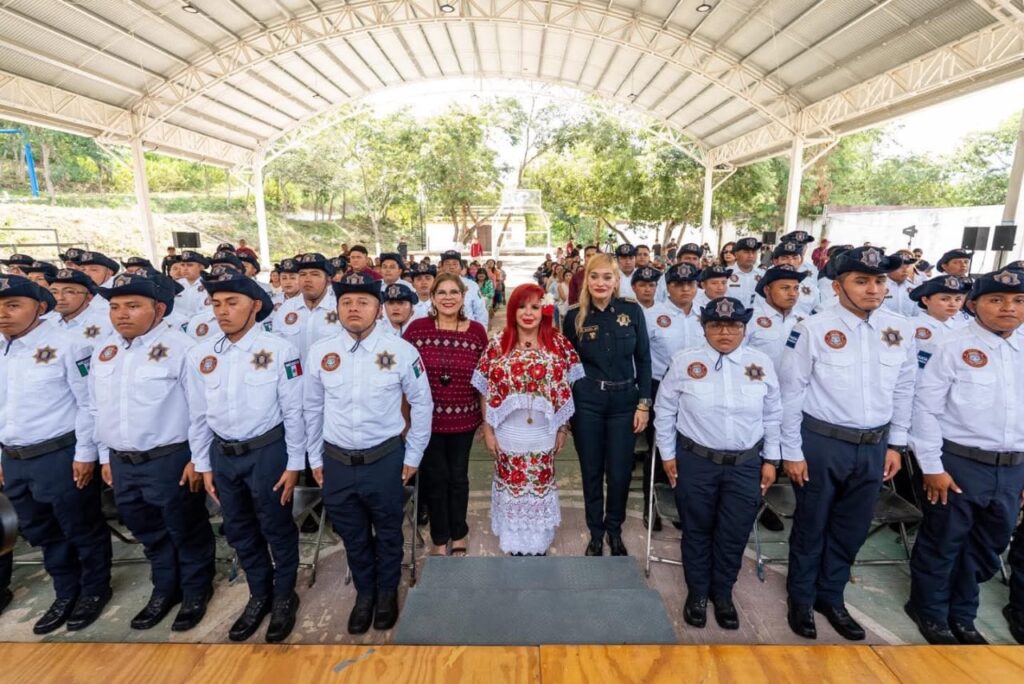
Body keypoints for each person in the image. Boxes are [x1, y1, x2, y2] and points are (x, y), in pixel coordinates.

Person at [780, 246, 916, 641]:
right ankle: (801, 598)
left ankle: (831, 596)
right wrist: (792, 451)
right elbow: (792, 392)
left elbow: (905, 389)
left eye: (878, 281)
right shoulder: (813, 328)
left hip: (874, 446)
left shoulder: (900, 328)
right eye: (861, 281)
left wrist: (897, 444)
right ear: (838, 287)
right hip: (822, 443)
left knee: (852, 527)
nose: (873, 289)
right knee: (812, 524)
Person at [305, 272, 432, 633]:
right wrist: (315, 458)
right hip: (337, 461)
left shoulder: (402, 351)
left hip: (385, 459)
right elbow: (311, 409)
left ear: (378, 309)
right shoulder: (322, 353)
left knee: (389, 532)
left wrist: (413, 456)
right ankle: (365, 594)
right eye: (346, 302)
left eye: (362, 302)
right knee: (354, 535)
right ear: (338, 308)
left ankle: (387, 593)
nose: (354, 308)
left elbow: (423, 404)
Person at [90, 272, 215, 632]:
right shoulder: (105, 350)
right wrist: (103, 456)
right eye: (114, 307)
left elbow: (200, 410)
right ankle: (165, 588)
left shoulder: (182, 348)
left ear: (158, 309)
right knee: (148, 531)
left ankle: (195, 589)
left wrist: (198, 458)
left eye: (133, 306)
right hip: (122, 460)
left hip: (170, 458)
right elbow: (96, 407)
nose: (121, 315)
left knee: (185, 527)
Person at [186, 270, 306, 643]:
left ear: (255, 306)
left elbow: (294, 412)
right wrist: (203, 462)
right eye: (217, 303)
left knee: (276, 526)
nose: (223, 311)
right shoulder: (203, 355)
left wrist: (294, 464)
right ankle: (259, 594)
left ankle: (285, 593)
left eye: (232, 303)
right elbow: (198, 414)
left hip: (267, 452)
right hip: (224, 456)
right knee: (239, 529)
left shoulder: (279, 350)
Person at [906, 269, 1024, 645]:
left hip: (1011, 466)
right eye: (997, 300)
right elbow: (925, 409)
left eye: (1019, 301)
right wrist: (932, 467)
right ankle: (930, 610)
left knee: (989, 546)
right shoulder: (951, 345)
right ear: (974, 305)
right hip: (959, 463)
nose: (1009, 308)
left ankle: (962, 612)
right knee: (944, 541)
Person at [656, 297, 780, 630]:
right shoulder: (685, 362)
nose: (725, 332)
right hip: (697, 462)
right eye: (716, 325)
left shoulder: (761, 363)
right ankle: (697, 593)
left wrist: (772, 459)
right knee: (696, 530)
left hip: (745, 464)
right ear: (704, 327)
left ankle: (722, 593)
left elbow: (773, 414)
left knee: (734, 531)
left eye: (734, 325)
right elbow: (665, 410)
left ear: (744, 327)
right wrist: (667, 454)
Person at [0, 275, 112, 634]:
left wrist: (85, 454)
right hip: (15, 457)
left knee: (81, 527)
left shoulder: (67, 345)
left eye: (13, 305)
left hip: (59, 453)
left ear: (40, 307)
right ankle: (66, 591)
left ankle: (94, 590)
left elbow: (88, 404)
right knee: (41, 531)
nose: (3, 314)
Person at [473, 284, 582, 555]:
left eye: (535, 306)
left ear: (543, 309)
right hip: (508, 430)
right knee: (511, 484)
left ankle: (538, 542)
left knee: (539, 481)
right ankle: (513, 541)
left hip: (544, 430)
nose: (528, 313)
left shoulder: (558, 343)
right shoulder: (498, 343)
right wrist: (488, 430)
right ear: (513, 310)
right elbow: (486, 391)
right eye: (522, 306)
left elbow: (565, 391)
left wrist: (562, 428)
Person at [562, 253, 652, 556]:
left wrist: (644, 404)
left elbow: (643, 359)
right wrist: (568, 411)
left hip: (625, 402)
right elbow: (567, 366)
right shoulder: (574, 316)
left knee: (619, 472)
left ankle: (614, 529)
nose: (601, 282)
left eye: (607, 277)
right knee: (591, 470)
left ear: (616, 281)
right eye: (594, 276)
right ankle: (596, 533)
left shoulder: (632, 311)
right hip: (588, 402)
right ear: (586, 279)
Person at [403, 273, 488, 556]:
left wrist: (485, 422)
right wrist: (405, 422)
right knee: (435, 478)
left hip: (464, 420)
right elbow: (403, 378)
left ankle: (459, 532)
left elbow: (483, 381)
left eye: (454, 292)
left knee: (458, 478)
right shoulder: (416, 330)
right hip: (426, 422)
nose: (448, 297)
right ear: (433, 297)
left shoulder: (477, 332)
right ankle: (440, 537)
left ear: (464, 297)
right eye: (442, 292)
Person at [642, 263, 702, 530]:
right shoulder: (652, 315)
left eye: (690, 284)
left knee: (689, 450)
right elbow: (641, 358)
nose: (685, 289)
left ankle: (679, 503)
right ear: (669, 287)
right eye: (679, 284)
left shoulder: (707, 315)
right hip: (660, 388)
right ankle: (650, 506)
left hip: (698, 392)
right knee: (658, 448)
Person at [274, 253, 339, 364]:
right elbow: (276, 346)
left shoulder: (340, 309)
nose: (307, 279)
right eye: (302, 274)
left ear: (328, 280)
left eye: (315, 274)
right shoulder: (286, 308)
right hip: (293, 379)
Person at [746, 265, 809, 369]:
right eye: (785, 288)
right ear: (767, 290)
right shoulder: (749, 319)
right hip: (761, 382)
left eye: (796, 288)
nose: (792, 294)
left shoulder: (806, 320)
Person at [44, 268, 112, 350]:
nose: (59, 298)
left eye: (69, 292)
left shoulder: (108, 322)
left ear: (88, 297)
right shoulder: (46, 322)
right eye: (54, 292)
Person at [907, 275, 970, 353]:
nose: (953, 304)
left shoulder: (965, 327)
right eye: (944, 299)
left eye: (958, 299)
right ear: (925, 300)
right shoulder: (910, 325)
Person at [438, 250, 488, 327]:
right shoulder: (435, 285)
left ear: (461, 267)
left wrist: (481, 333)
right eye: (447, 264)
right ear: (441, 267)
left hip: (468, 332)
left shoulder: (472, 285)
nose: (451, 267)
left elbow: (480, 312)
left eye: (455, 264)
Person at [769, 241, 819, 317]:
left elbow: (817, 315)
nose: (790, 262)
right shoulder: (765, 287)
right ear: (775, 261)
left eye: (795, 258)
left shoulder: (812, 288)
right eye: (785, 258)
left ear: (801, 261)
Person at [881, 251, 920, 318]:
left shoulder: (913, 289)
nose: (905, 270)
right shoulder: (879, 286)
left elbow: (916, 314)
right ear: (890, 268)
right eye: (900, 267)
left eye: (907, 267)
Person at [728, 237, 764, 306]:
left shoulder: (763, 275)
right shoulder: (726, 274)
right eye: (746, 252)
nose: (751, 256)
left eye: (753, 252)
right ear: (736, 254)